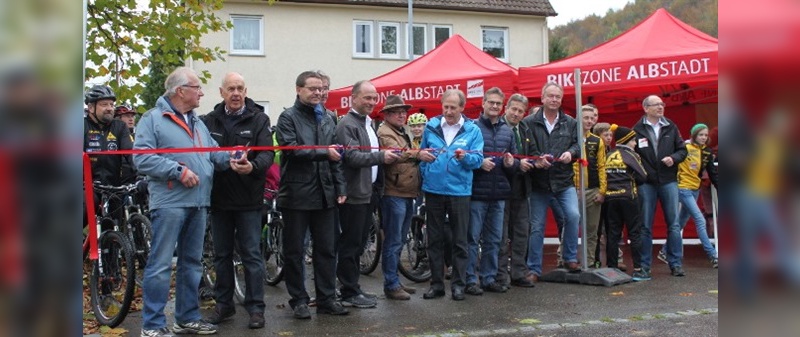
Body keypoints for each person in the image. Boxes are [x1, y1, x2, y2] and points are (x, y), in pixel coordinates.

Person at [134, 67, 251, 337]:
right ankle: (152, 325)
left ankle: (186, 318)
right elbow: (141, 158)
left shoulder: (197, 122)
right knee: (161, 264)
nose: (201, 92)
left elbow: (211, 153)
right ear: (180, 91)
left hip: (198, 202)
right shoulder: (152, 120)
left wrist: (233, 157)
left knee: (192, 264)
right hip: (170, 202)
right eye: (197, 87)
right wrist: (177, 171)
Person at [200, 72, 274, 329]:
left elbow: (268, 155)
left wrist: (252, 167)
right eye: (231, 88)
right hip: (218, 200)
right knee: (221, 256)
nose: (236, 93)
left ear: (246, 91)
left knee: (252, 256)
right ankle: (224, 305)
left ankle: (256, 308)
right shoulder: (208, 121)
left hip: (249, 200)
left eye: (240, 88)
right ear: (221, 92)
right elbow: (203, 156)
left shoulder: (259, 119)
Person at [276, 70, 348, 319]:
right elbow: (292, 150)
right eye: (312, 88)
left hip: (326, 194)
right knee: (295, 251)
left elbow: (336, 157)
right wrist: (324, 152)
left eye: (321, 88)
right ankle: (299, 300)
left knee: (327, 249)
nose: (318, 92)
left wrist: (340, 188)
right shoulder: (287, 117)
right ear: (299, 89)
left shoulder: (329, 117)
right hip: (296, 194)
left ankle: (327, 298)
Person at [335, 81, 399, 308]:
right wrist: (381, 157)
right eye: (367, 98)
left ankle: (353, 288)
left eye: (374, 98)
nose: (372, 102)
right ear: (354, 98)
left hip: (368, 192)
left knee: (360, 242)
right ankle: (348, 291)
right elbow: (351, 158)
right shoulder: (347, 124)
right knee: (351, 244)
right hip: (353, 195)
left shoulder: (368, 123)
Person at [417, 89, 484, 301]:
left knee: (460, 240)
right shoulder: (431, 126)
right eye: (445, 106)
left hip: (459, 192)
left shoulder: (472, 130)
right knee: (434, 239)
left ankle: (458, 285)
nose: (448, 111)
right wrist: (424, 163)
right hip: (434, 190)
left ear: (462, 108)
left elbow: (478, 160)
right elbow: (421, 153)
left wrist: (465, 158)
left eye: (453, 107)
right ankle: (437, 285)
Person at [522, 82, 581, 279]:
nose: (554, 99)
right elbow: (524, 149)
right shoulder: (529, 122)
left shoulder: (570, 122)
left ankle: (569, 257)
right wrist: (537, 159)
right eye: (551, 96)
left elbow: (577, 145)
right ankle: (533, 269)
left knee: (573, 216)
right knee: (537, 226)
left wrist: (570, 153)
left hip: (563, 181)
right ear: (543, 97)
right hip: (539, 184)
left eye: (558, 96)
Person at [465, 87, 516, 295]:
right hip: (477, 192)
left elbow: (514, 161)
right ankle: (470, 279)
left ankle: (488, 278)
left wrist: (511, 162)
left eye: (498, 103)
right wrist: (479, 164)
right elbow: (464, 157)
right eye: (491, 102)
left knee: (494, 239)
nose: (494, 106)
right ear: (483, 103)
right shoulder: (472, 128)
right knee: (472, 238)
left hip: (499, 193)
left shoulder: (508, 130)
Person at [632, 95, 687, 279]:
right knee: (645, 226)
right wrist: (643, 172)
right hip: (646, 182)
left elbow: (682, 150)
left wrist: (674, 158)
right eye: (656, 105)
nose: (661, 107)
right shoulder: (637, 129)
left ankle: (676, 263)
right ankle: (645, 266)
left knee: (674, 224)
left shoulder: (670, 126)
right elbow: (631, 156)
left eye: (662, 104)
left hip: (668, 180)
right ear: (646, 108)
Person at [376, 95, 421, 300]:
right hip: (394, 192)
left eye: (404, 111)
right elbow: (396, 153)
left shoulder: (401, 131)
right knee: (393, 241)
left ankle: (394, 280)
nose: (402, 114)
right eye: (397, 111)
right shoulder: (385, 132)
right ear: (387, 114)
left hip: (406, 191)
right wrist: (417, 154)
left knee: (399, 240)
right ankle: (391, 284)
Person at [657, 123, 719, 268]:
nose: (703, 138)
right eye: (700, 135)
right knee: (699, 219)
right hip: (682, 188)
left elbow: (712, 173)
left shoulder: (707, 152)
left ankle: (665, 250)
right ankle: (713, 255)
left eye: (705, 135)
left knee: (680, 223)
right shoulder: (683, 148)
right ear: (693, 135)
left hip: (694, 189)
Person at [497, 93, 536, 288]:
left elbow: (534, 152)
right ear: (506, 108)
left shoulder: (526, 129)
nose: (516, 113)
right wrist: (518, 164)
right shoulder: (499, 128)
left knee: (522, 232)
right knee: (502, 236)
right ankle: (501, 274)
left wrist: (539, 160)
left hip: (522, 188)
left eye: (521, 111)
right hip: (502, 188)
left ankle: (519, 272)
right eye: (514, 109)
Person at [603, 125, 647, 277]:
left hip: (610, 198)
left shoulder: (609, 154)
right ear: (627, 141)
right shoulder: (630, 154)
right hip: (629, 197)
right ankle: (638, 270)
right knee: (634, 232)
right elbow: (643, 176)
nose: (635, 144)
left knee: (613, 233)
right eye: (633, 141)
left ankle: (612, 267)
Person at [573, 104, 606, 268]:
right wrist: (575, 187)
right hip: (574, 190)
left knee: (592, 229)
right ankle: (565, 259)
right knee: (571, 226)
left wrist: (602, 191)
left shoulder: (597, 140)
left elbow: (602, 167)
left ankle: (590, 260)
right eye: (586, 117)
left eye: (592, 118)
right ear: (579, 118)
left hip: (593, 190)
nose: (589, 120)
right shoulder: (571, 138)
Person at [84, 85, 134, 186]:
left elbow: (132, 153)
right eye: (104, 104)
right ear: (91, 108)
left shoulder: (120, 127)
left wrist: (142, 175)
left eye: (111, 104)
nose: (110, 108)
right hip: (87, 187)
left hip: (115, 188)